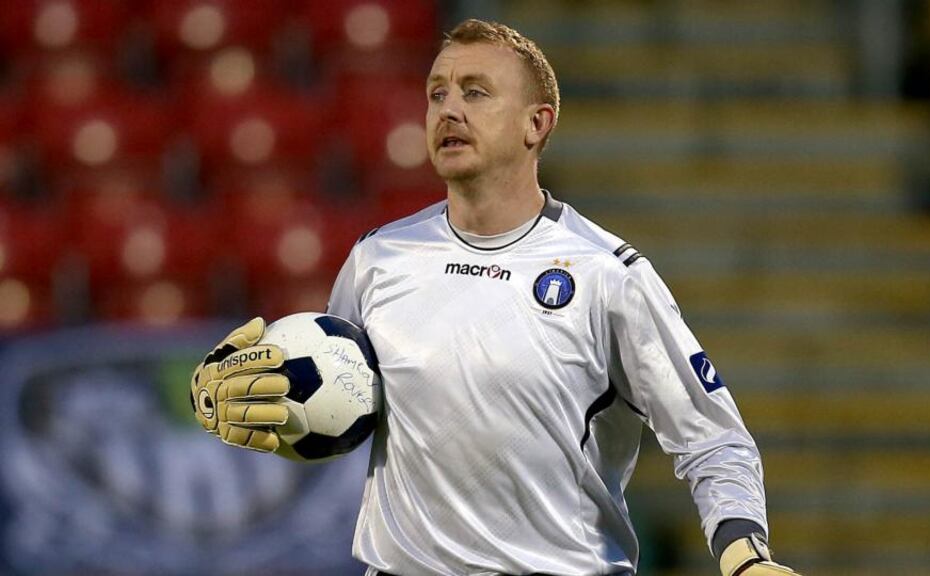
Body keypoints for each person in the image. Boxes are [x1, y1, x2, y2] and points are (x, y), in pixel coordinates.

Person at [190, 19, 801, 576]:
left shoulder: (607, 276)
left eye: (475, 92)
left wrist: (745, 556)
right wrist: (232, 395)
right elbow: (341, 408)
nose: (448, 109)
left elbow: (712, 436)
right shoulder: (378, 259)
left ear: (538, 124)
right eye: (437, 93)